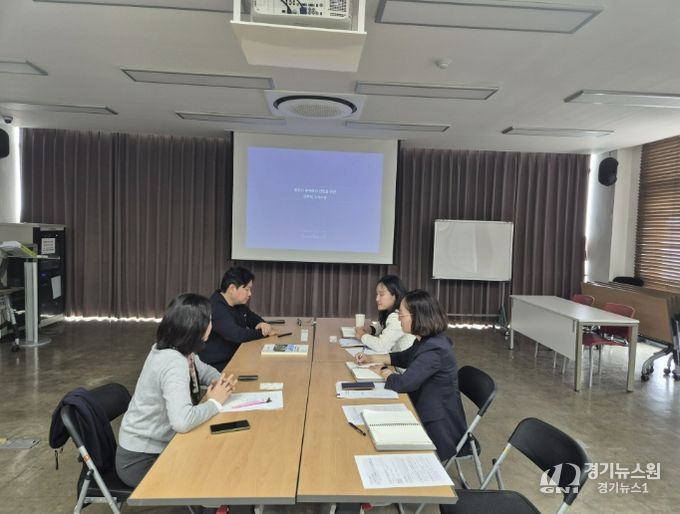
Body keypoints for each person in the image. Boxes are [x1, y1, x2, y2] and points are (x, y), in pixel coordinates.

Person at [116, 293, 237, 488]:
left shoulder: (179, 351)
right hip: (141, 461)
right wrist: (215, 402)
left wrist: (220, 381)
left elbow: (205, 371)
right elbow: (182, 421)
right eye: (209, 320)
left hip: (157, 447)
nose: (212, 325)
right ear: (195, 326)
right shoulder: (173, 362)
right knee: (216, 471)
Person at [356, 289, 467, 461]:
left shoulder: (435, 349)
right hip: (424, 408)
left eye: (402, 315)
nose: (399, 319)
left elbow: (403, 384)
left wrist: (384, 371)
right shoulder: (426, 339)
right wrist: (371, 358)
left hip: (438, 426)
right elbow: (404, 358)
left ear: (418, 317)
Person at [198, 266, 274, 371]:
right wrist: (263, 333)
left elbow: (252, 318)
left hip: (236, 356)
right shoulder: (216, 307)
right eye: (247, 289)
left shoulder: (237, 303)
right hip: (217, 365)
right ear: (232, 288)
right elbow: (237, 335)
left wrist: (262, 324)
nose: (250, 294)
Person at [354, 274, 415, 354]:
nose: (377, 299)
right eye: (377, 294)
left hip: (403, 361)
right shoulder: (394, 311)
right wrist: (371, 329)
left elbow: (381, 347)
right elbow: (384, 326)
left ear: (395, 295)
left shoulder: (397, 316)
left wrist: (362, 335)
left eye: (381, 294)